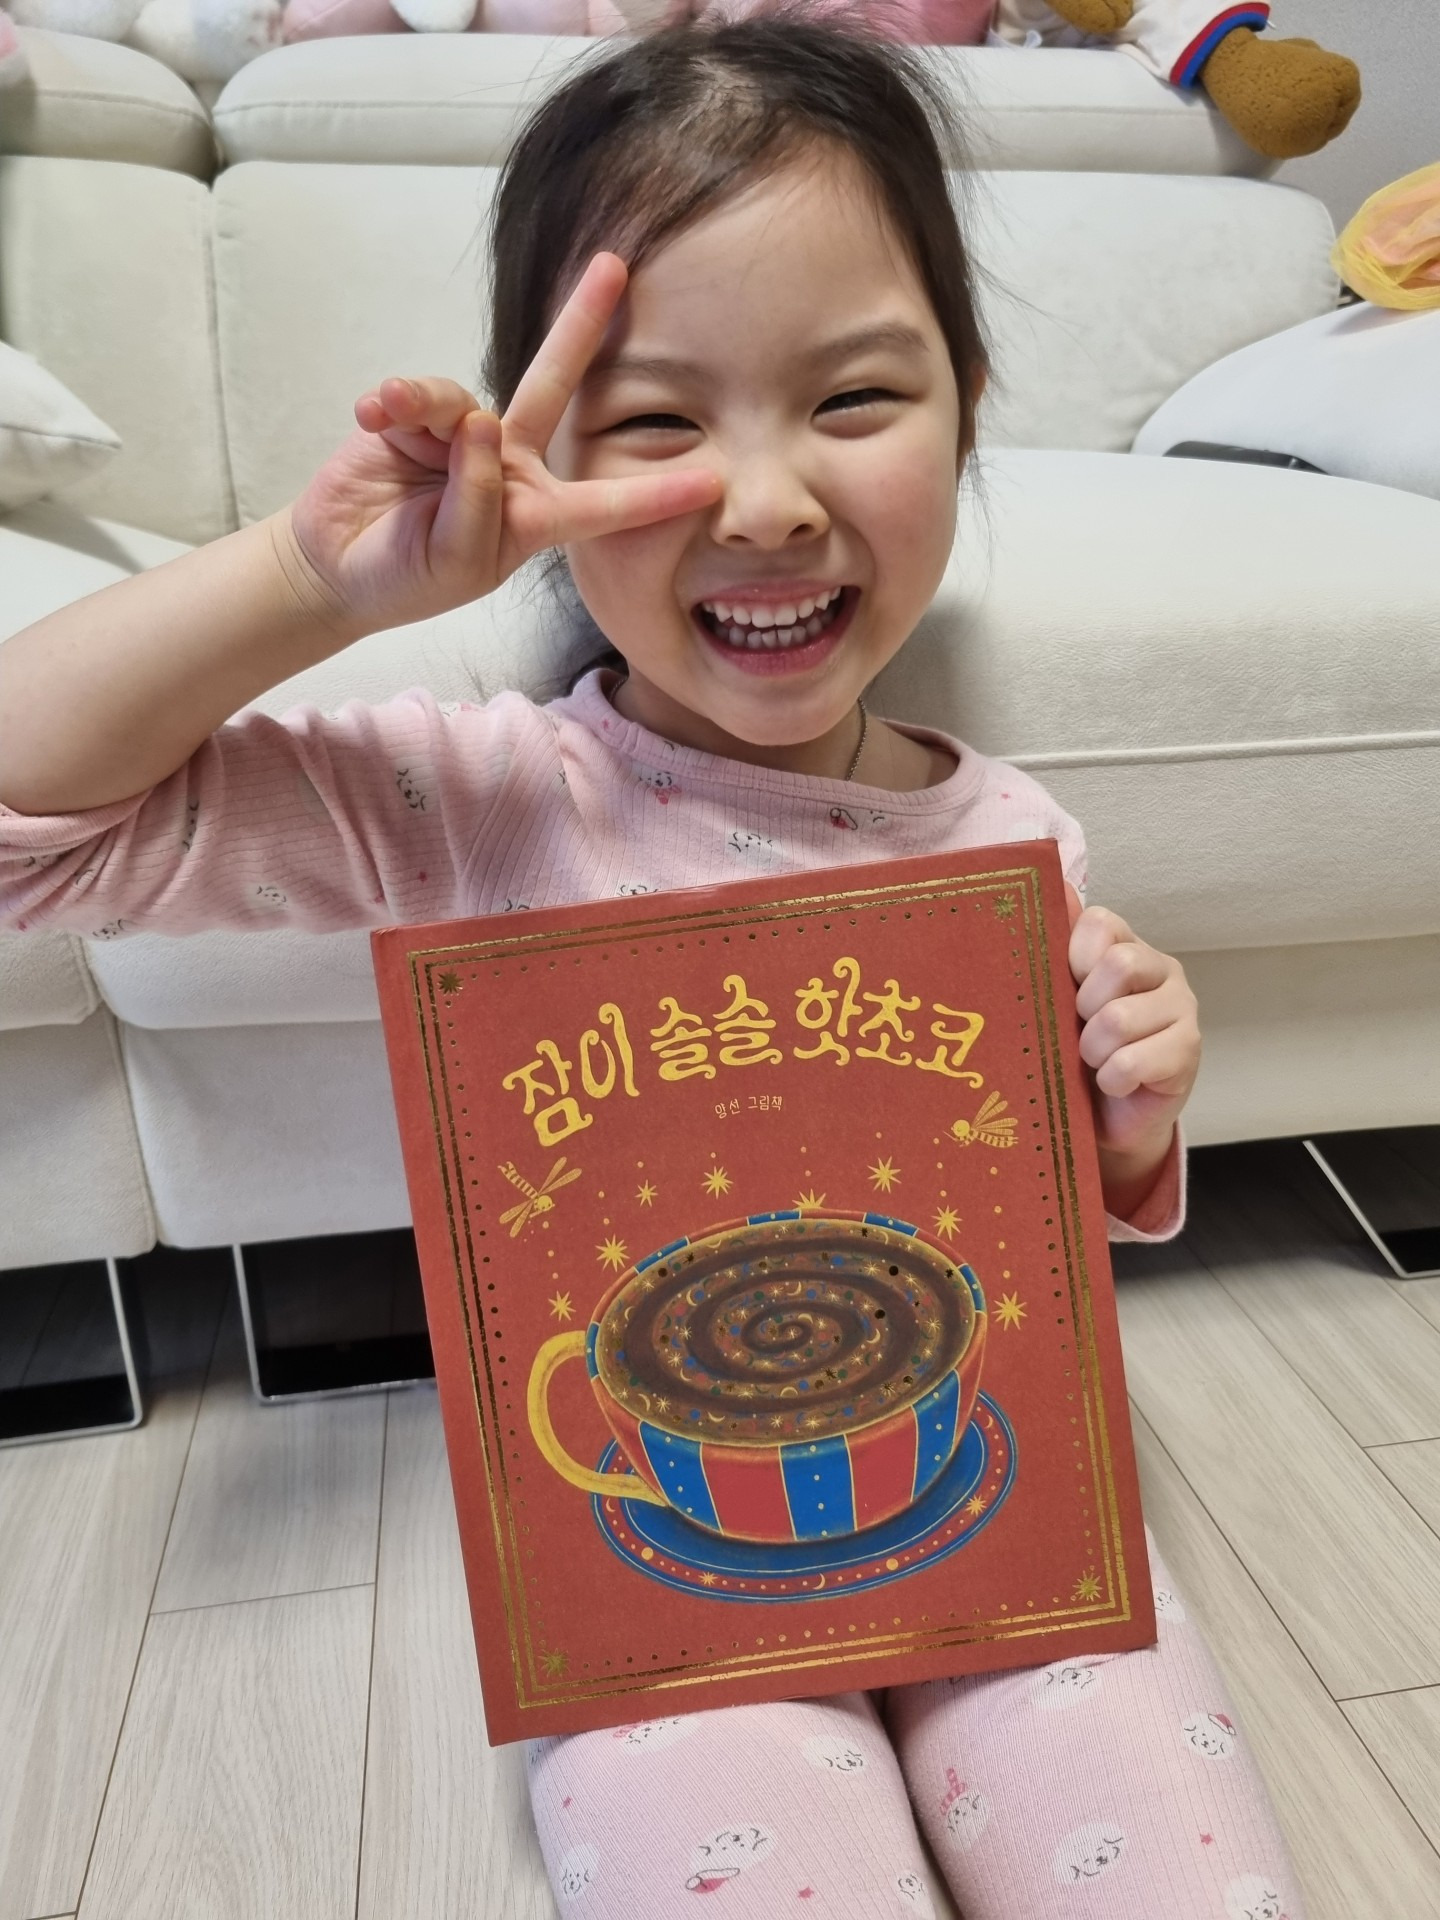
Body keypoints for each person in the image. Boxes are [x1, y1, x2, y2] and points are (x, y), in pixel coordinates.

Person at [0, 15, 1304, 1917]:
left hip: (997, 1519)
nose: (765, 501)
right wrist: (306, 580)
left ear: (967, 403)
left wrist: (1127, 1116)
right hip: (656, 1581)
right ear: (540, 458)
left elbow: (1020, 1256)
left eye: (855, 399)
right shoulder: (480, 800)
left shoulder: (1013, 835)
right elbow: (33, 831)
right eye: (659, 424)